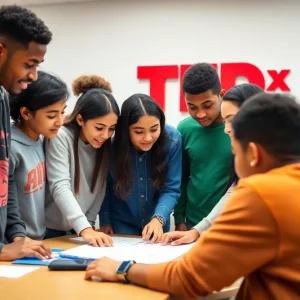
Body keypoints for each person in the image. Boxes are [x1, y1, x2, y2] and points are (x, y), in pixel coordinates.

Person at [85, 93, 300, 300]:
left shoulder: (260, 193)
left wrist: (123, 269)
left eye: (234, 151)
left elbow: (189, 277)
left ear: (253, 154)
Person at [166, 83, 264, 245]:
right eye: (225, 121)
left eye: (232, 120)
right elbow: (234, 190)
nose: (226, 129)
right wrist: (196, 231)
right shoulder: (246, 153)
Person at [0, 5, 52, 261]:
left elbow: (3, 180)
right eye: (29, 64)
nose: (33, 75)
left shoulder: (2, 98)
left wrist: (17, 234)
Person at [45, 75, 119, 247]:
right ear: (80, 119)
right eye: (99, 128)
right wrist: (85, 228)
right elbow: (60, 185)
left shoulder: (104, 143)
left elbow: (100, 187)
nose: (105, 135)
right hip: (51, 230)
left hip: (79, 230)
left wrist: (90, 223)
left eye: (112, 129)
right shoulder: (60, 136)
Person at [99, 94, 181, 243]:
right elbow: (105, 187)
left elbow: (171, 188)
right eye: (138, 131)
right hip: (121, 223)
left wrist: (158, 218)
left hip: (157, 224)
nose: (148, 137)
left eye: (154, 129)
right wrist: (104, 220)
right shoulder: (110, 146)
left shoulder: (172, 140)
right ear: (125, 129)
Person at [9, 70, 69, 240]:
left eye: (62, 112)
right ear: (26, 113)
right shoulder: (10, 148)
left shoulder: (44, 140)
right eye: (51, 115)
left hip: (40, 239)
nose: (59, 121)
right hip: (15, 243)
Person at [173, 63, 232, 231]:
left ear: (221, 95)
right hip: (193, 223)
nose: (200, 114)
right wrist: (179, 219)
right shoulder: (184, 129)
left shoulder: (236, 128)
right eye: (192, 107)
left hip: (230, 222)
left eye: (207, 105)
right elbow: (181, 178)